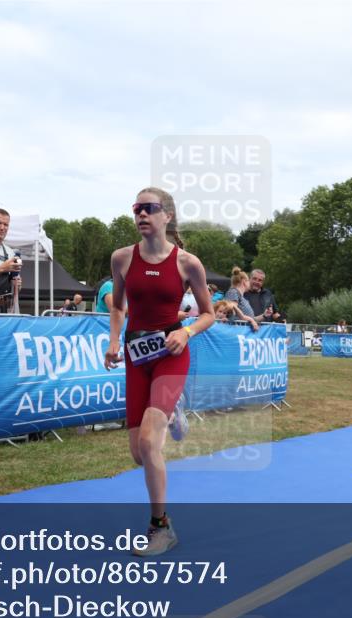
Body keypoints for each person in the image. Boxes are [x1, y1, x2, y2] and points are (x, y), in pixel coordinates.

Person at [104, 187, 214, 558]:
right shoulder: (121, 259)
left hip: (170, 352)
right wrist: (114, 341)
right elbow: (117, 307)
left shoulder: (187, 263)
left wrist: (186, 332)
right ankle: (171, 414)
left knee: (151, 444)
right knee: (139, 453)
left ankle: (160, 528)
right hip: (137, 357)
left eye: (149, 208)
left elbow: (208, 313)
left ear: (167, 215)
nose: (141, 214)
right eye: (136, 208)